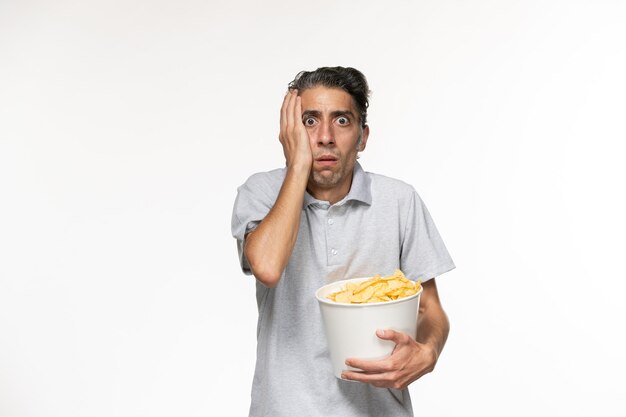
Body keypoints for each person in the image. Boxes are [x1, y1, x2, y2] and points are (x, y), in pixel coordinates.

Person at [231, 66, 455, 417]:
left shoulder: (399, 200)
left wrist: (428, 352)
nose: (324, 137)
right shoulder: (260, 192)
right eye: (309, 121)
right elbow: (268, 267)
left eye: (341, 121)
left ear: (363, 137)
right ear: (288, 132)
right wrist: (298, 165)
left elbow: (429, 309)